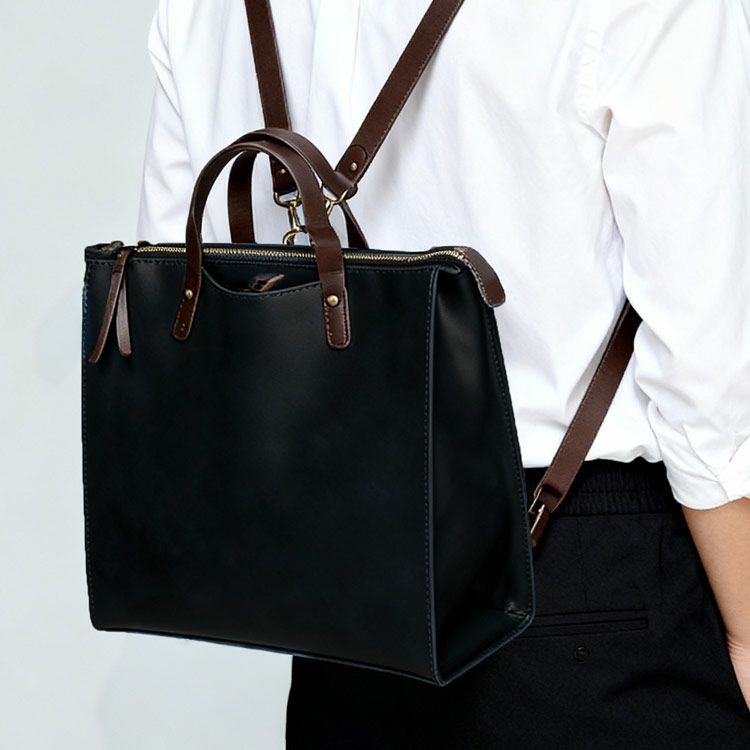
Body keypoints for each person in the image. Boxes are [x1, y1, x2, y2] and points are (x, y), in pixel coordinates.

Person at [137, 0, 750, 746]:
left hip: (346, 597)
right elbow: (705, 370)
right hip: (585, 578)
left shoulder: (201, 12)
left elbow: (185, 293)